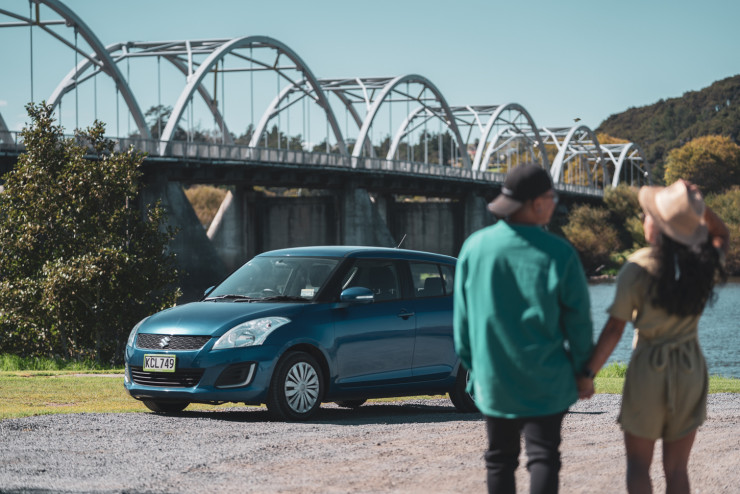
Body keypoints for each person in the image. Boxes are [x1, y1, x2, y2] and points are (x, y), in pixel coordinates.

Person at [580, 179, 729, 494]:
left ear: (659, 227)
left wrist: (588, 373)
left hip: (649, 371)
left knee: (638, 466)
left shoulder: (637, 268)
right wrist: (693, 208)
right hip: (690, 370)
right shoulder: (703, 264)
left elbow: (614, 329)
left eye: (650, 215)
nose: (645, 219)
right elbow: (721, 233)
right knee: (676, 470)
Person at [454, 163, 594, 494]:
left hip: (495, 379)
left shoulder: (474, 248)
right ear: (536, 203)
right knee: (543, 457)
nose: (555, 202)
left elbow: (462, 325)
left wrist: (478, 370)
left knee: (499, 459)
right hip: (546, 379)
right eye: (551, 196)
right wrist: (582, 371)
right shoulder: (559, 253)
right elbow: (579, 324)